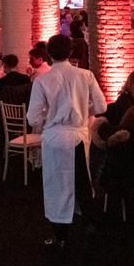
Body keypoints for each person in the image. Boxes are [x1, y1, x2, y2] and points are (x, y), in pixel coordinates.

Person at [27, 34, 107, 248]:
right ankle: (91, 226)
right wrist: (82, 111)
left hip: (54, 138)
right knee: (82, 181)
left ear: (48, 54)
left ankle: (60, 236)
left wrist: (50, 115)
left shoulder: (42, 80)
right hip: (79, 136)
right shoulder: (86, 75)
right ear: (71, 52)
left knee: (55, 186)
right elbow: (101, 107)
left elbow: (32, 117)